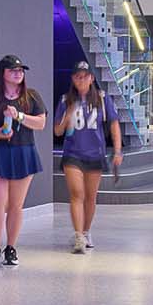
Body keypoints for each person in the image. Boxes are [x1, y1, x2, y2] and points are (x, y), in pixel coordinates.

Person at [0, 54, 48, 266]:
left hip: (23, 151)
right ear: (2, 74)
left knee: (16, 204)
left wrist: (19, 117)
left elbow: (41, 123)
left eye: (21, 70)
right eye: (13, 70)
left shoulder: (31, 97)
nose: (18, 73)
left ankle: (11, 247)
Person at [55, 61, 121, 254]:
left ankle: (86, 230)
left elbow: (114, 124)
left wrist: (117, 151)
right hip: (72, 154)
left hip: (95, 153)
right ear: (73, 79)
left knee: (90, 197)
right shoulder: (65, 100)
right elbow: (57, 131)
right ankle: (78, 236)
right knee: (77, 194)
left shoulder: (101, 98)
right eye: (77, 76)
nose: (81, 79)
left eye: (85, 76)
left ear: (92, 78)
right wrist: (68, 114)